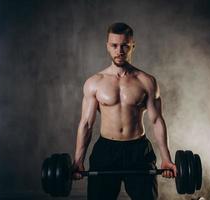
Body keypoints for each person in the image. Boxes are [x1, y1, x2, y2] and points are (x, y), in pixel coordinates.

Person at [72, 22, 177, 200]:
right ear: (107, 46)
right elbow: (87, 124)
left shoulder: (147, 81)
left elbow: (156, 120)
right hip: (106, 151)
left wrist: (166, 158)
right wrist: (78, 160)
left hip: (138, 151)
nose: (119, 50)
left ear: (132, 46)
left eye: (124, 46)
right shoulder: (95, 82)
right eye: (114, 45)